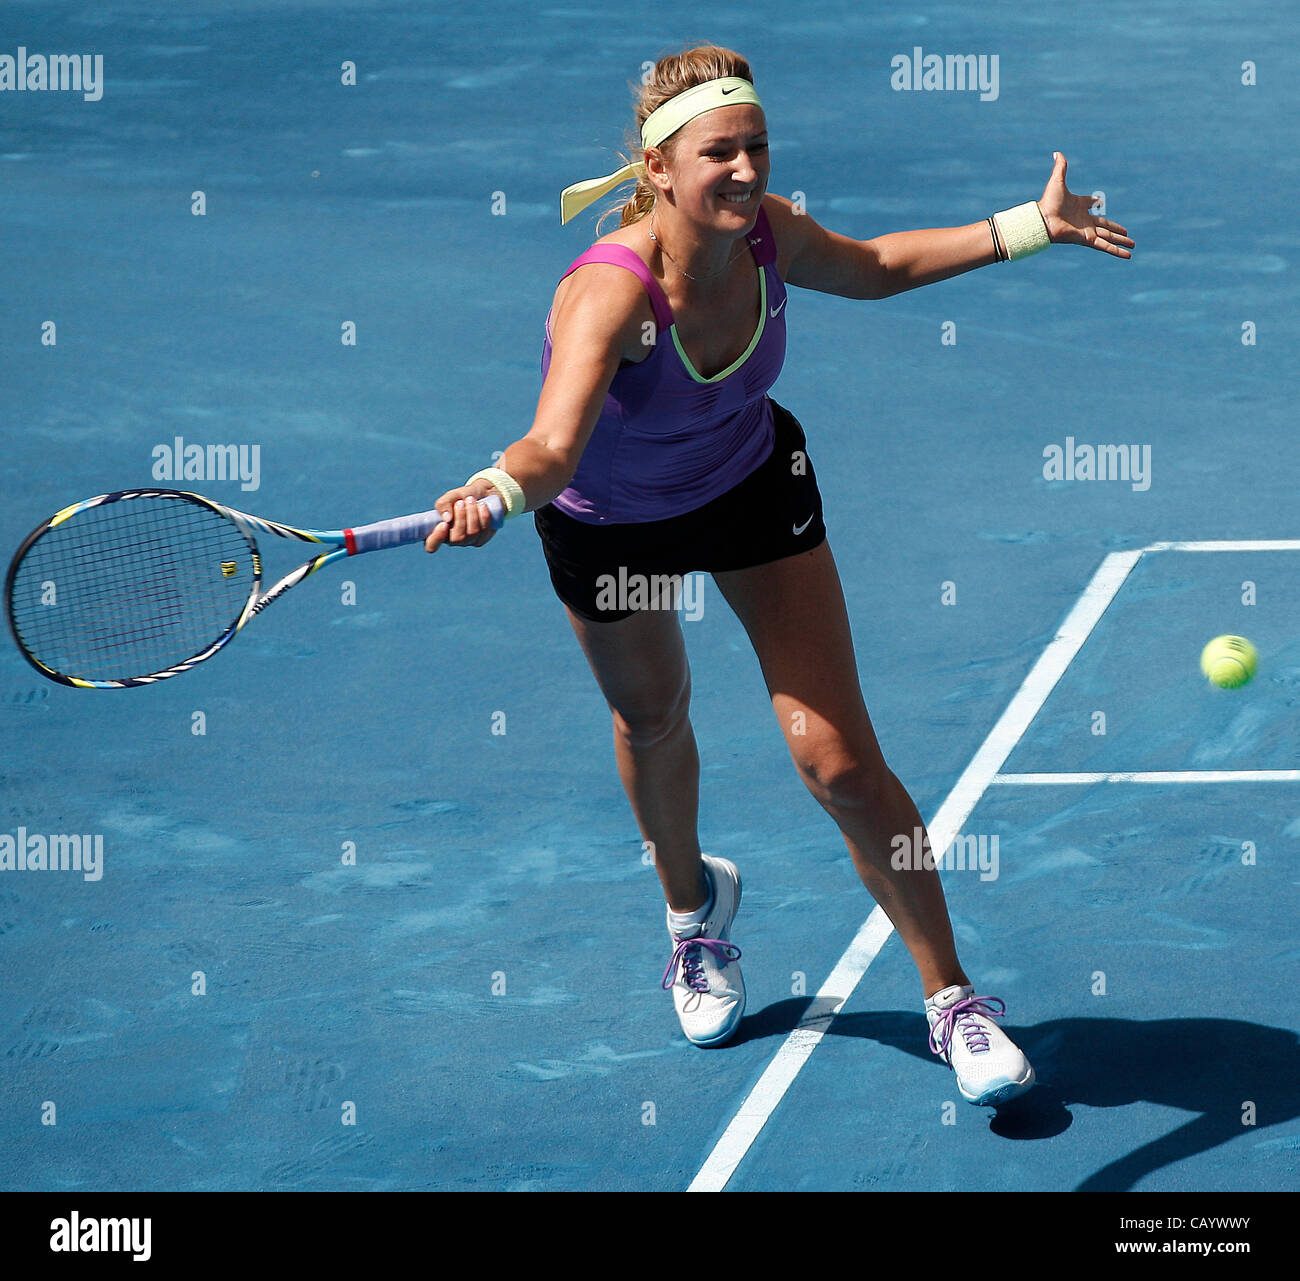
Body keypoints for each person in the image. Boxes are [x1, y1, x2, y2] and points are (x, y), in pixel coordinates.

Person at [425, 44, 1133, 1106]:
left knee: (840, 763)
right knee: (652, 717)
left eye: (756, 146)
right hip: (611, 526)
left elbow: (875, 267)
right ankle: (690, 918)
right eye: (722, 152)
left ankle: (952, 1002)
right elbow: (552, 447)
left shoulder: (766, 236)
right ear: (656, 170)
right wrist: (494, 486)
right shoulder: (605, 298)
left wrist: (1029, 227)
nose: (747, 169)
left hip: (750, 486)